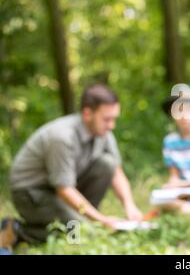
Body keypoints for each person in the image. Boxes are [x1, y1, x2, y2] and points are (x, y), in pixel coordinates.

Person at [0, 84, 142, 251]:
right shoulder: (62, 137)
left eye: (114, 119)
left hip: (62, 190)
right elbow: (64, 189)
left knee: (107, 163)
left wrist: (129, 205)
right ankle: (18, 230)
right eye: (106, 119)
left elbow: (116, 172)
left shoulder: (103, 133)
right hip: (32, 193)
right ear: (88, 113)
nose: (112, 125)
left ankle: (78, 219)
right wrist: (100, 220)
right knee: (80, 232)